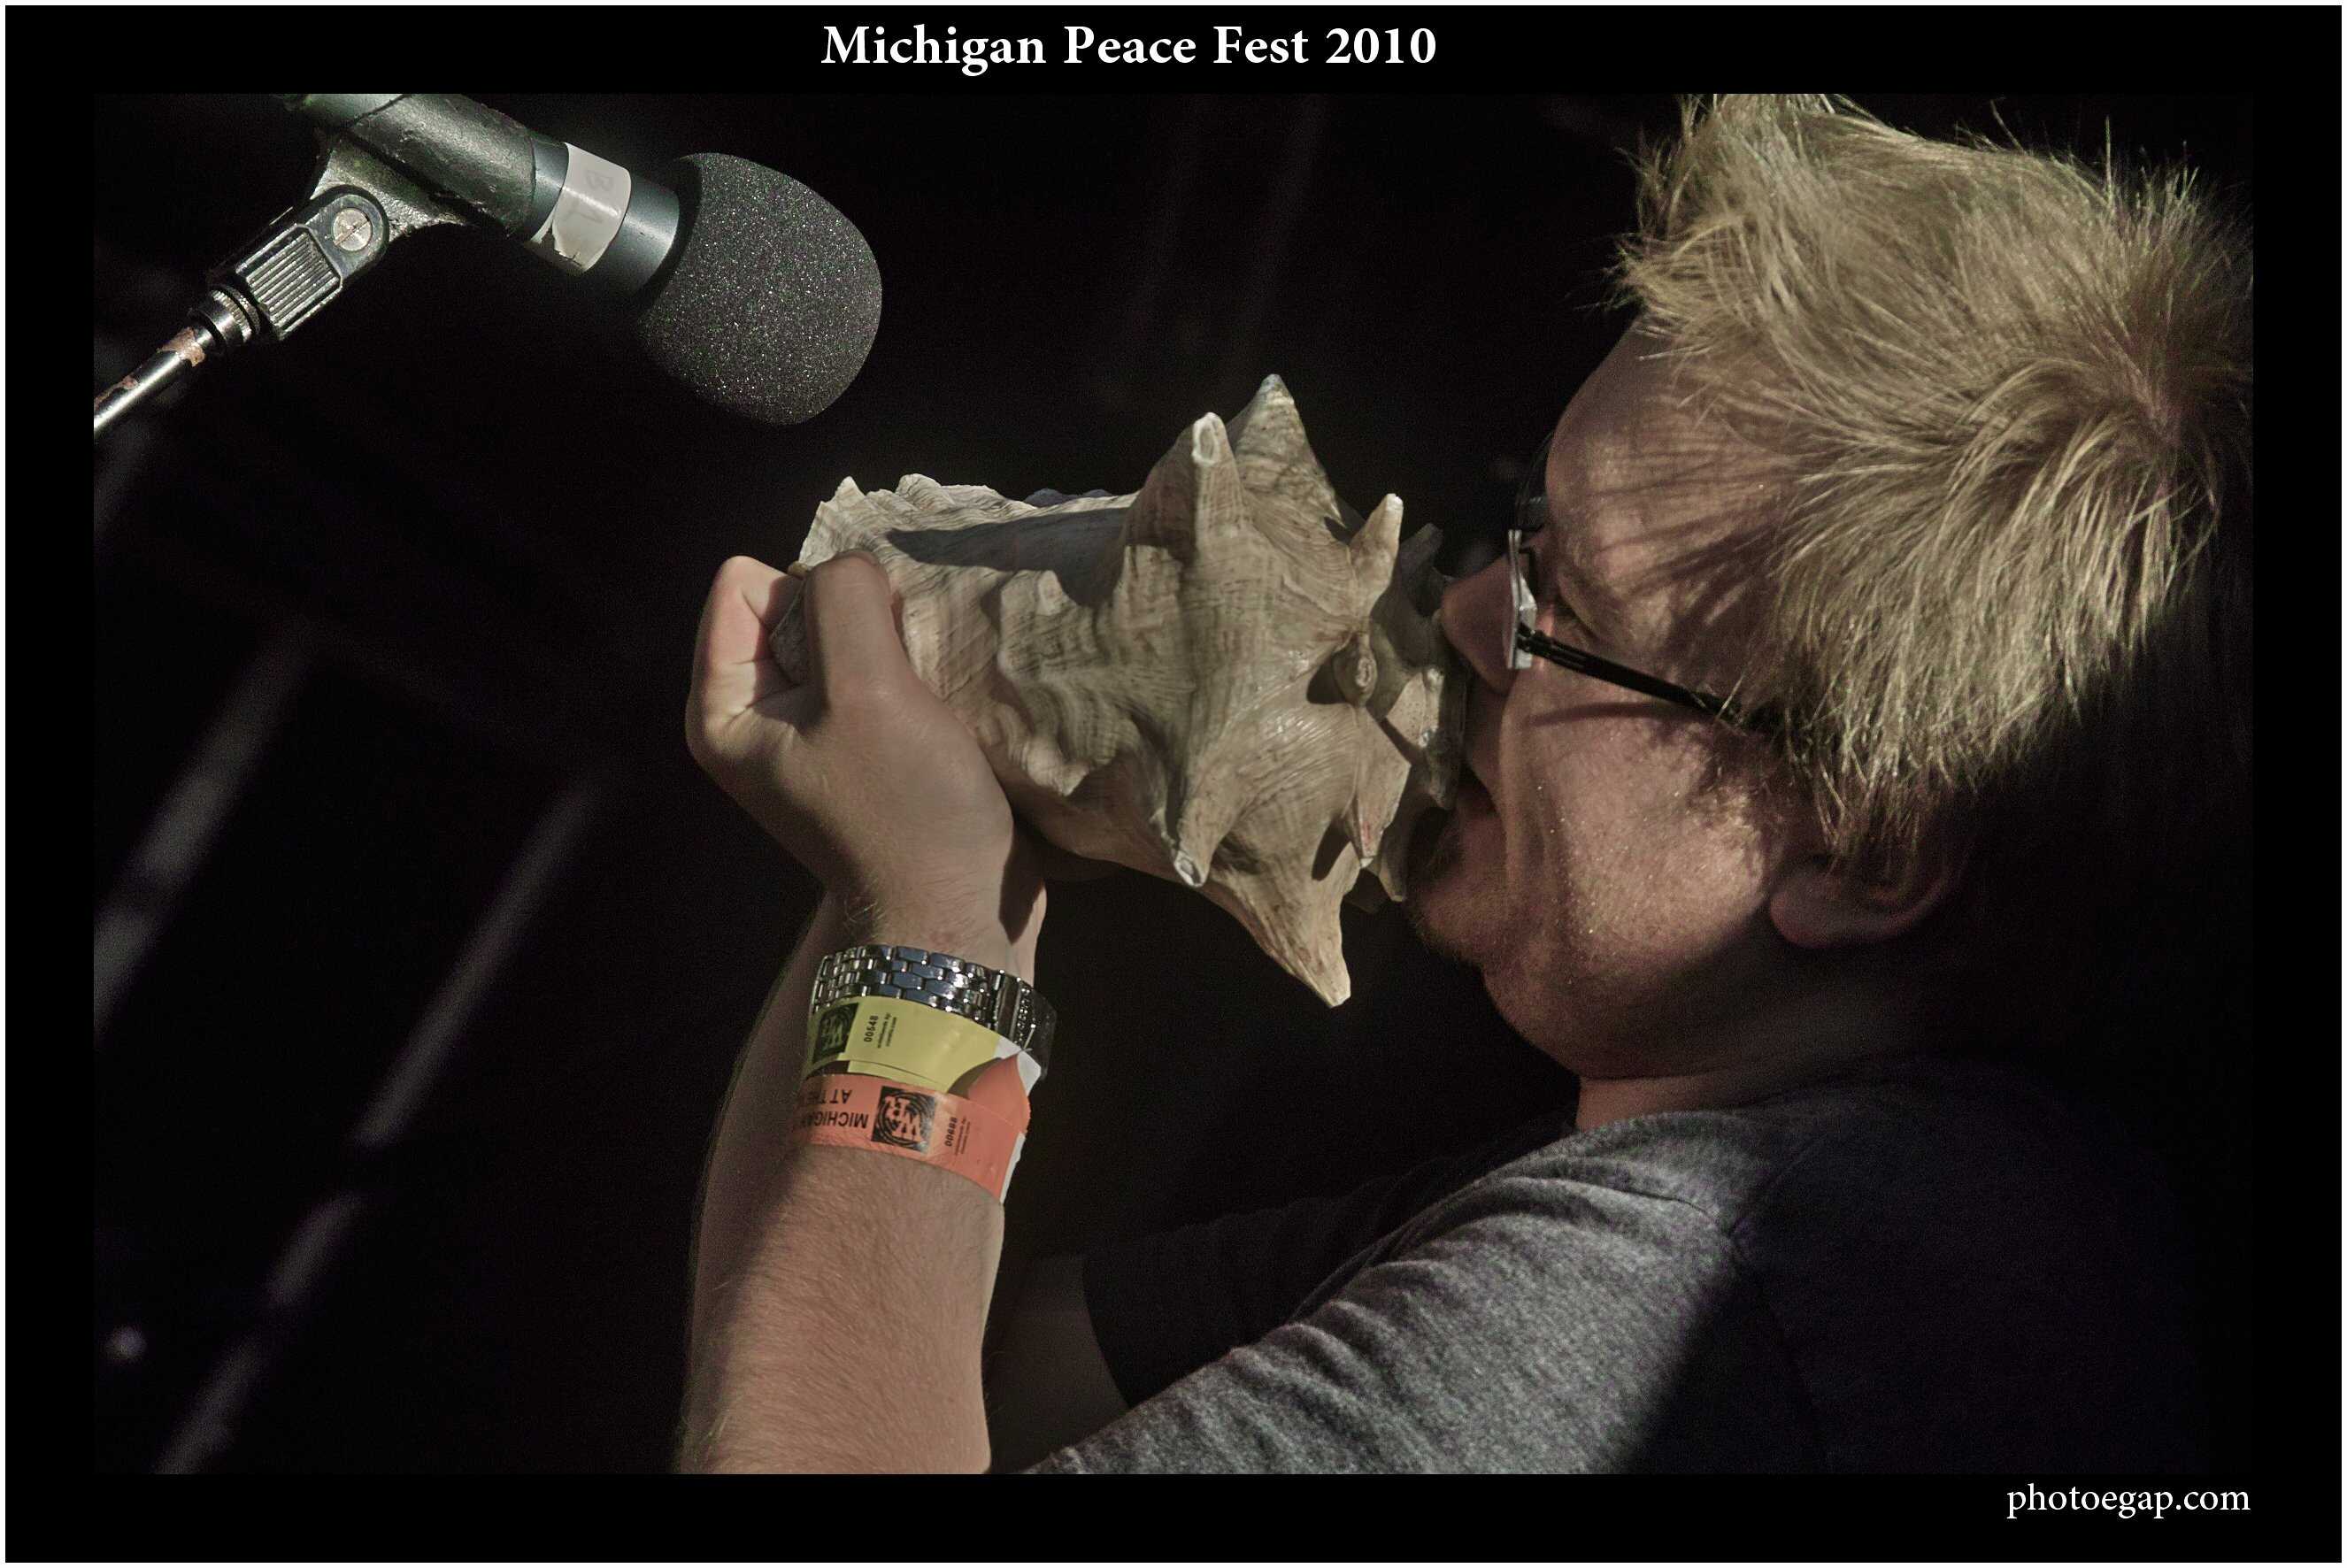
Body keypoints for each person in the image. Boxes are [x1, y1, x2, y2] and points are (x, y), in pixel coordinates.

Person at [676, 94, 2251, 1473]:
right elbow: (883, 1367)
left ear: (1863, 849)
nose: (1477, 613)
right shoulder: (1897, 1192)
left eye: (1573, 612)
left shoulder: (1709, 1299)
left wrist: (932, 921)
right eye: (1527, 528)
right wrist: (925, 839)